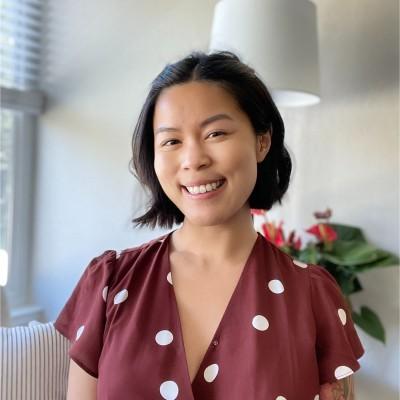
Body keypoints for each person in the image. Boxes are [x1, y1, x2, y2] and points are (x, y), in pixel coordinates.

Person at [53, 51, 365, 400]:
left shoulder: (313, 296)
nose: (193, 160)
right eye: (171, 141)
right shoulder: (109, 282)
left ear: (262, 141)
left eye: (215, 133)